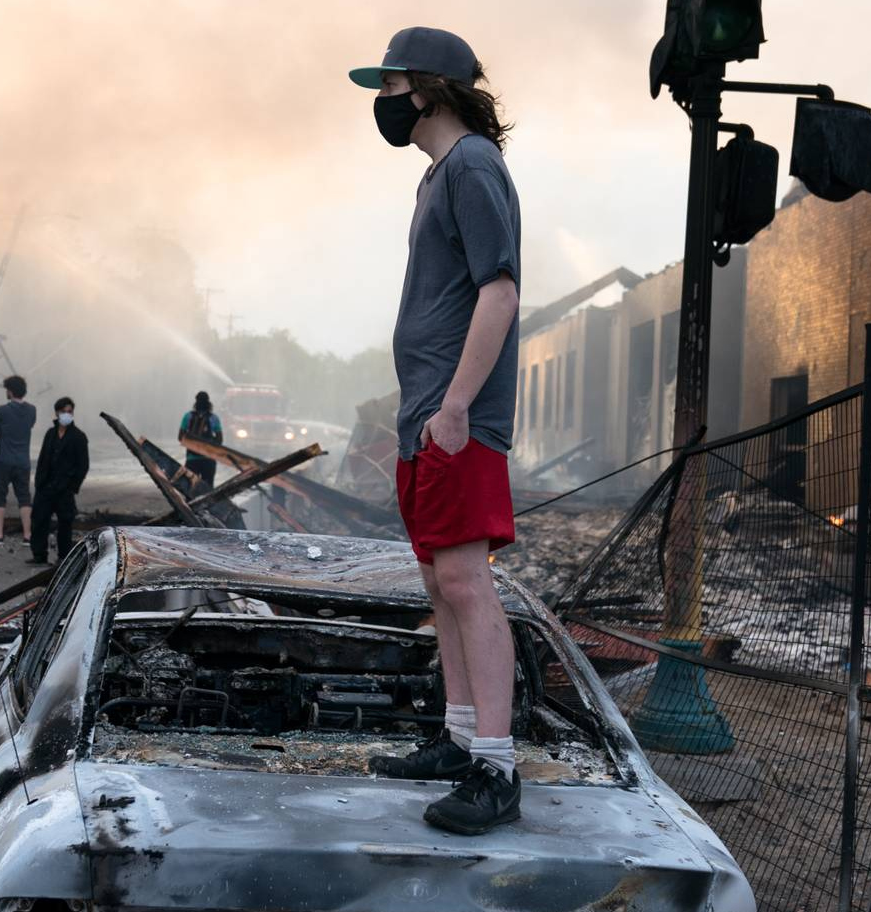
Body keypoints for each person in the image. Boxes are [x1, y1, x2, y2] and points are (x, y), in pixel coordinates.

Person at [350, 27, 524, 835]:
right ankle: (459, 740)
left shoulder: (474, 166)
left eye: (388, 87)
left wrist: (456, 407)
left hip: (458, 421)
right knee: (438, 583)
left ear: (427, 88)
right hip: (427, 420)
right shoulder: (438, 177)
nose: (381, 104)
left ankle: (496, 765)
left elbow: (500, 292)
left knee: (465, 582)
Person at [29, 396, 89, 566]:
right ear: (57, 413)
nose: (67, 415)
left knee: (65, 524)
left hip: (64, 489)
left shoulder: (78, 437)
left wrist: (72, 486)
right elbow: (42, 459)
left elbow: (83, 465)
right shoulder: (50, 434)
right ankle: (39, 554)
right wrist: (39, 482)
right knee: (39, 520)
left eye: (70, 412)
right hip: (46, 487)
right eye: (63, 412)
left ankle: (63, 557)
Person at [0, 375, 35, 546]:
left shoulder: (3, 410)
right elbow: (29, 425)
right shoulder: (32, 410)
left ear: (10, 391)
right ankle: (28, 536)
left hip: (3, 460)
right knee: (24, 497)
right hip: (23, 461)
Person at [177, 390, 223, 491]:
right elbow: (220, 440)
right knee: (208, 488)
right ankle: (208, 506)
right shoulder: (213, 418)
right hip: (209, 460)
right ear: (208, 402)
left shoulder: (188, 417)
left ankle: (189, 506)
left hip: (192, 459)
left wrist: (192, 445)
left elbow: (180, 437)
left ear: (196, 402)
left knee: (191, 489)